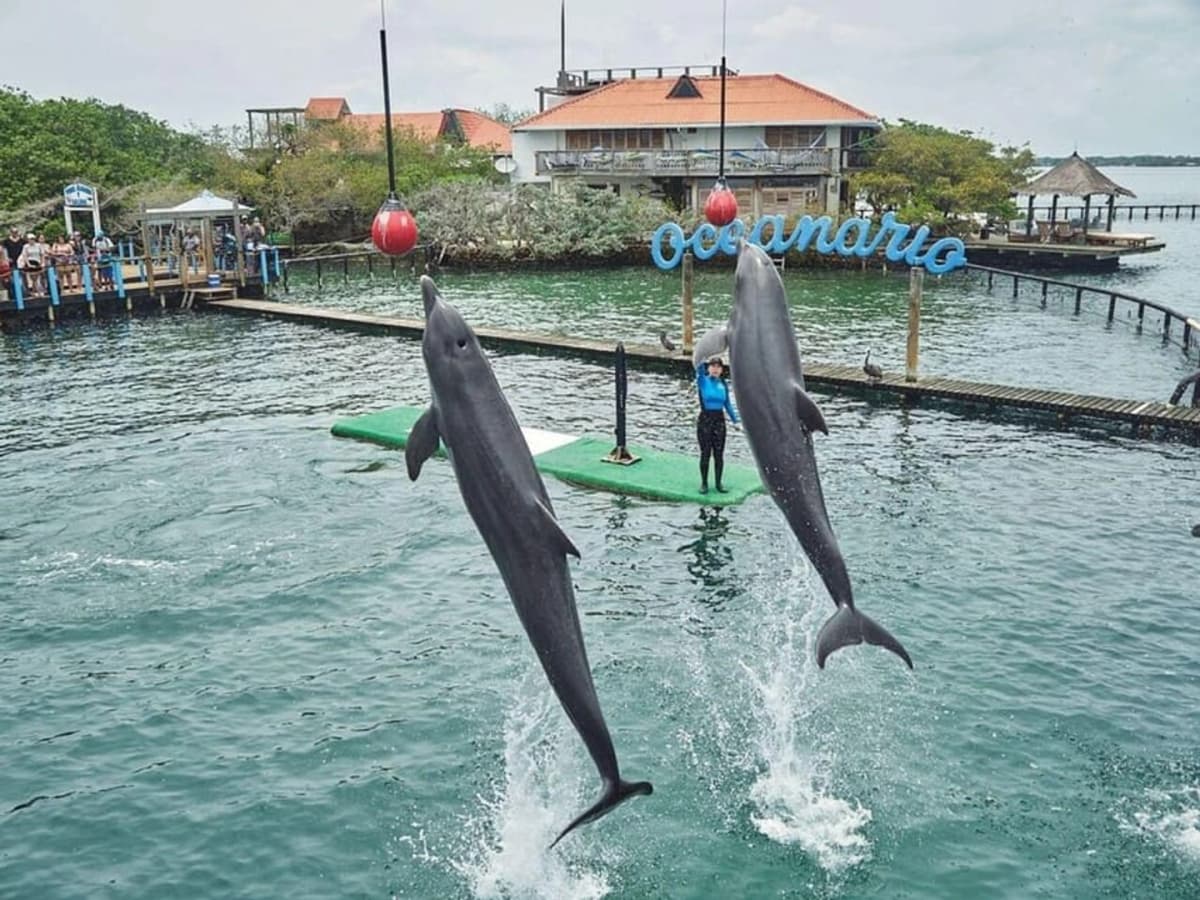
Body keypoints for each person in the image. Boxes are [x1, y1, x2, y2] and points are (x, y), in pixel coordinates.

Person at [695, 355, 739, 494]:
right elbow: (698, 364)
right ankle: (704, 483)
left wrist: (736, 420)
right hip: (705, 420)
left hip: (719, 420)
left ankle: (719, 483)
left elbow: (727, 404)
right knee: (706, 452)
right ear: (708, 368)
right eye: (712, 366)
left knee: (719, 454)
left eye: (718, 367)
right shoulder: (702, 380)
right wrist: (704, 353)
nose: (715, 369)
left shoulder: (723, 384)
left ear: (721, 370)